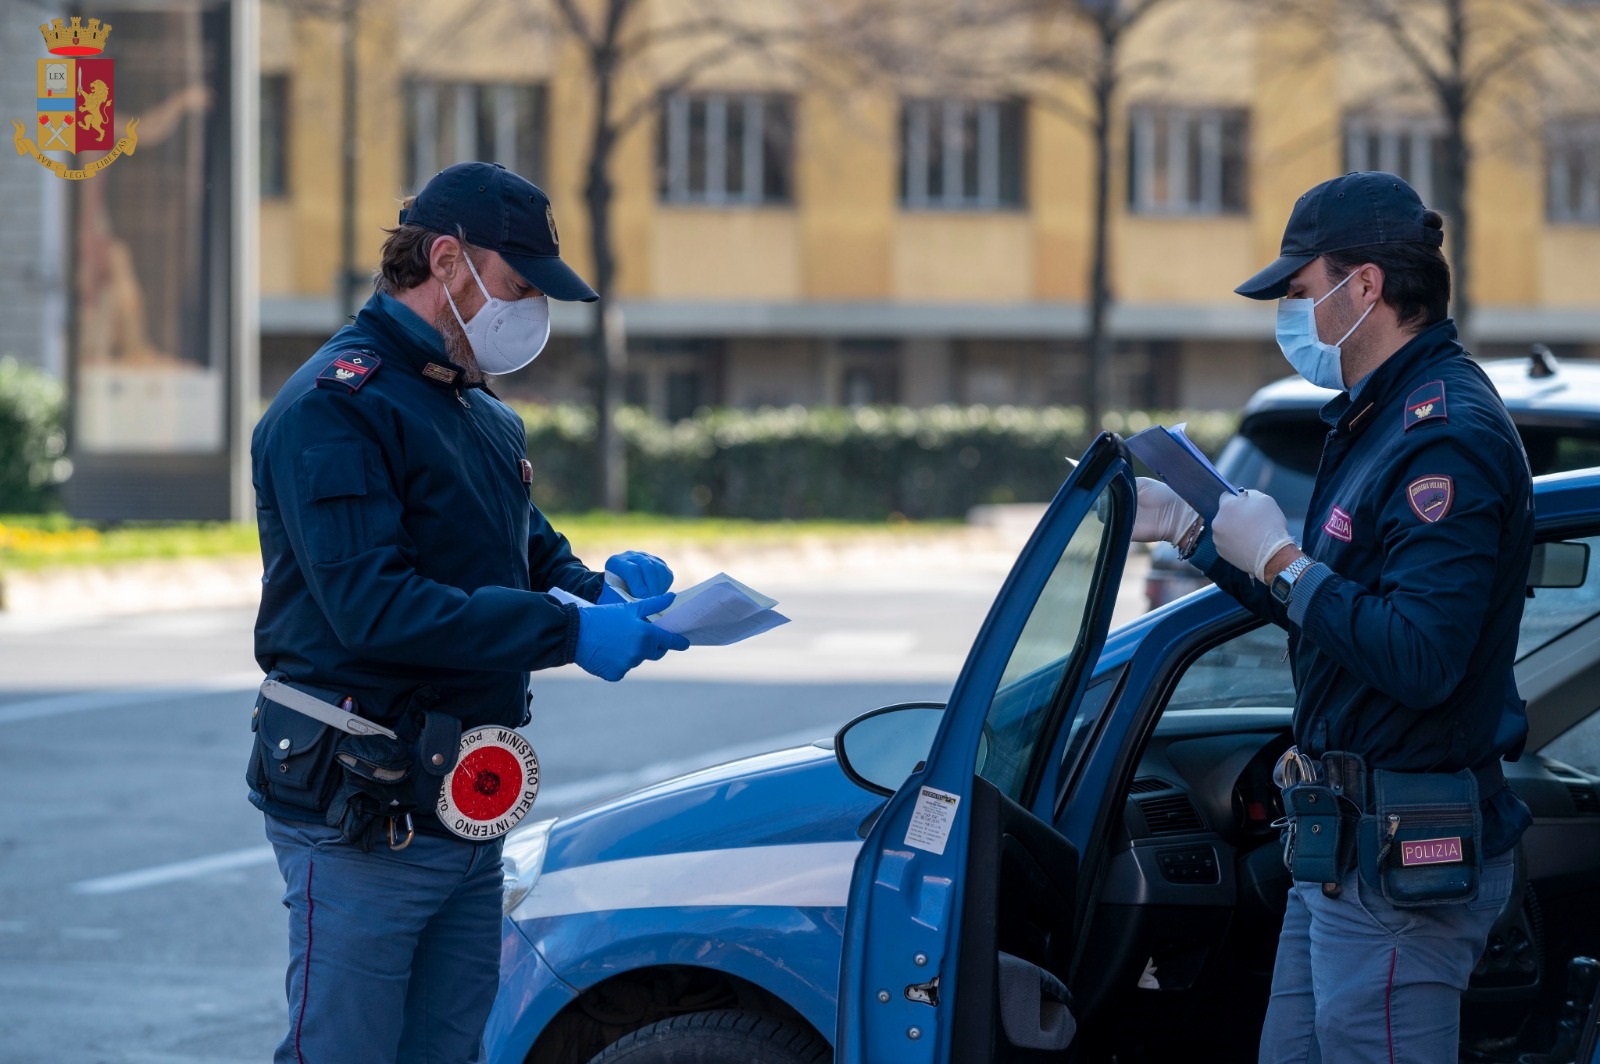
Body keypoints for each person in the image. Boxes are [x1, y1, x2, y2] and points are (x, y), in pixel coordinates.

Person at [246, 161, 690, 1064]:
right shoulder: (337, 408)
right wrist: (568, 631)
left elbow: (534, 559)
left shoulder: (478, 412)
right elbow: (377, 607)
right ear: (446, 261)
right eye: (520, 286)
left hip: (464, 800)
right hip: (363, 803)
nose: (530, 311)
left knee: (453, 1049)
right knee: (345, 1051)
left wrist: (605, 590)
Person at [1133, 171, 1534, 1063]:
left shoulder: (1445, 434)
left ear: (1365, 288)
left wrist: (1282, 559)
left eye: (1302, 291)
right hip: (1340, 846)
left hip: (1401, 860)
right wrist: (1203, 535)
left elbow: (1422, 655)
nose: (1295, 316)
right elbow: (1330, 614)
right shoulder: (1379, 419)